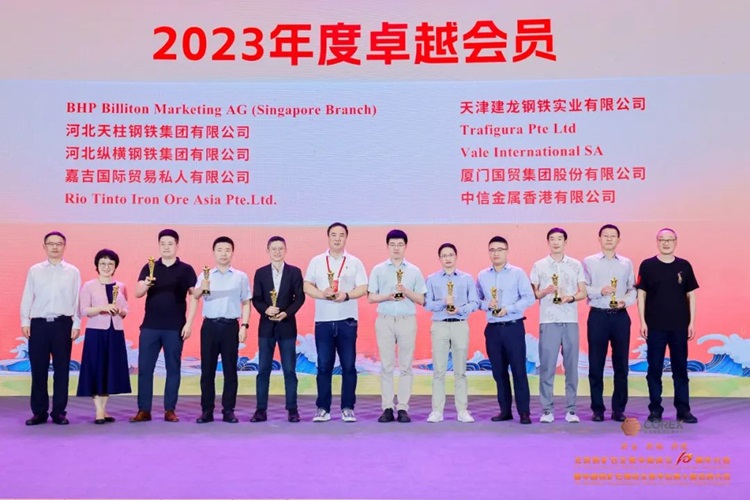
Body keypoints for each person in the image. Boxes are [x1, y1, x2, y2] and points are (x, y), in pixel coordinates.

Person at [130, 229, 197, 423]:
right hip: (150, 326)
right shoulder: (150, 267)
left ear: (177, 245)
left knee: (173, 369)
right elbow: (137, 292)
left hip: (174, 327)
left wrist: (189, 323)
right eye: (162, 244)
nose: (166, 247)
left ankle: (170, 409)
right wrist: (147, 284)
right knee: (145, 369)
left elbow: (195, 295)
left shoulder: (186, 269)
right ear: (159, 245)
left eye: (170, 244)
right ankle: (144, 410)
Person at [303, 222, 368, 423]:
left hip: (347, 321)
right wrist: (322, 294)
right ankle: (323, 408)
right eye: (334, 235)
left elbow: (363, 287)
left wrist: (346, 295)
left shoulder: (355, 262)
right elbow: (307, 285)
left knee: (348, 366)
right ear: (328, 237)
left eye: (341, 235)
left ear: (346, 237)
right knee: (324, 366)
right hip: (323, 321)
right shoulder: (316, 261)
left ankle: (348, 408)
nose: (337, 238)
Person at [636, 228, 699, 424]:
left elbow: (691, 295)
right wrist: (642, 321)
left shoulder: (684, 265)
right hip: (655, 326)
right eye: (662, 240)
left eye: (669, 240)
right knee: (654, 369)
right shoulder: (647, 265)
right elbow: (641, 294)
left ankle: (683, 410)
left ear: (675, 242)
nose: (666, 243)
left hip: (679, 326)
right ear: (657, 242)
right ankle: (655, 410)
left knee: (680, 369)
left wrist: (692, 322)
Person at [20, 231, 81, 425]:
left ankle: (59, 412)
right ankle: (39, 412)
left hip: (63, 324)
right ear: (44, 246)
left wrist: (77, 323)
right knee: (39, 369)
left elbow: (77, 299)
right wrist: (25, 321)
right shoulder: (35, 270)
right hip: (38, 325)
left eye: (59, 244)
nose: (55, 247)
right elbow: (28, 296)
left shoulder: (73, 271)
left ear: (64, 247)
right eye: (51, 243)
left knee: (62, 370)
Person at [367, 229, 426, 423]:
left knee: (406, 365)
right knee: (386, 365)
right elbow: (370, 297)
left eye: (400, 244)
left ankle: (402, 408)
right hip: (384, 319)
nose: (396, 248)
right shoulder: (378, 269)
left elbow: (421, 299)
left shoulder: (414, 270)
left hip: (406, 319)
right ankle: (387, 407)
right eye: (392, 244)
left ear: (405, 246)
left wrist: (406, 291)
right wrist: (388, 296)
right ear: (387, 246)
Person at [190, 236, 251, 424]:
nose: (223, 253)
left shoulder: (240, 276)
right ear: (214, 252)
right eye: (219, 250)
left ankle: (228, 410)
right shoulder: (205, 275)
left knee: (230, 371)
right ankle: (207, 411)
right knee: (207, 371)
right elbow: (195, 296)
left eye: (227, 250)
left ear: (232, 252)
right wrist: (202, 288)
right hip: (209, 326)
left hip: (230, 326)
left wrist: (244, 325)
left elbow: (246, 302)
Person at [476, 236, 535, 425]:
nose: (496, 253)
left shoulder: (517, 273)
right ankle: (505, 411)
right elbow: (476, 300)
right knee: (499, 372)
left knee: (518, 370)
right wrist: (487, 304)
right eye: (492, 250)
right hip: (493, 329)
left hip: (513, 327)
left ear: (507, 251)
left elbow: (529, 297)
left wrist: (508, 309)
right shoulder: (482, 275)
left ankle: (524, 412)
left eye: (500, 249)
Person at [530, 227, 587, 424]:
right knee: (547, 367)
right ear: (548, 242)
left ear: (565, 242)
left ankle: (571, 410)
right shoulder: (539, 265)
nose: (556, 242)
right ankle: (547, 410)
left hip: (570, 321)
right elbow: (534, 294)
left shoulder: (575, 264)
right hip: (548, 321)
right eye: (552, 239)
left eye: (559, 239)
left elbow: (583, 292)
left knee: (571, 367)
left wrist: (570, 298)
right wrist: (546, 290)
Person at [582, 224, 636, 422]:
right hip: (598, 316)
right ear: (599, 238)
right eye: (605, 236)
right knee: (596, 364)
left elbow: (632, 289)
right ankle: (597, 409)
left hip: (620, 316)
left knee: (621, 365)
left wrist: (625, 301)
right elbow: (583, 288)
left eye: (613, 236)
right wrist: (600, 291)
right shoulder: (589, 262)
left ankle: (618, 409)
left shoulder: (626, 263)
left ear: (618, 240)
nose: (609, 239)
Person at [251, 236, 305, 423]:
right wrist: (266, 310)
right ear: (267, 251)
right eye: (273, 248)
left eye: (280, 248)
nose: (277, 252)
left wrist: (286, 313)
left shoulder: (294, 272)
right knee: (263, 370)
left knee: (289, 370)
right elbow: (256, 299)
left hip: (287, 326)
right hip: (266, 328)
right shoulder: (260, 273)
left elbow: (300, 298)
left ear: (285, 250)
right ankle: (260, 410)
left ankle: (292, 409)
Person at [424, 243, 479, 423]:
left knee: (460, 371)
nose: (447, 258)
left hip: (460, 325)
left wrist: (460, 309)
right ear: (439, 258)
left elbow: (475, 303)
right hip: (439, 325)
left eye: (450, 255)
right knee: (438, 370)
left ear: (456, 257)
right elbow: (427, 304)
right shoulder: (432, 279)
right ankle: (436, 411)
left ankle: (462, 410)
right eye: (444, 255)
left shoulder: (466, 279)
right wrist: (443, 302)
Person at [77, 249, 132, 424]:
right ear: (97, 265)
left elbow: (125, 310)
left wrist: (119, 310)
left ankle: (104, 408)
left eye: (110, 264)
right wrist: (103, 308)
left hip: (115, 332)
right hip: (96, 332)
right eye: (103, 263)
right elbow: (83, 310)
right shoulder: (88, 285)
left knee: (110, 370)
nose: (106, 267)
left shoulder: (121, 286)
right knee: (96, 369)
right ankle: (98, 411)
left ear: (115, 266)